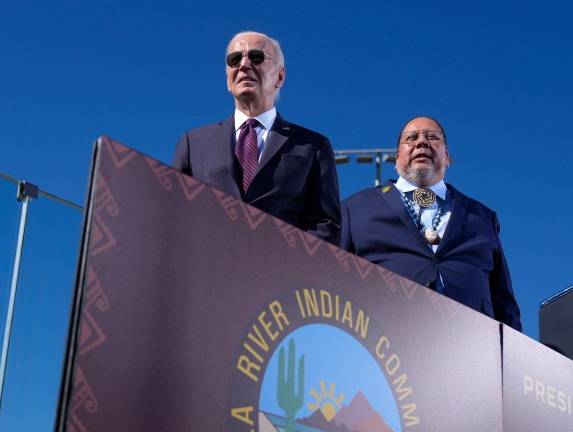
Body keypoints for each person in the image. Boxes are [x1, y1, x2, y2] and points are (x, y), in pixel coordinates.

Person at [340, 116, 522, 331]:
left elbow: (504, 301)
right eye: (412, 138)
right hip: (384, 341)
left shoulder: (482, 216)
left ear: (446, 157)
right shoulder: (355, 208)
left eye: (432, 137)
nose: (422, 142)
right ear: (397, 159)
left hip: (471, 345)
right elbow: (334, 282)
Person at [172, 31, 341, 245]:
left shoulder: (312, 146)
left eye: (256, 57)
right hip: (208, 271)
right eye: (234, 60)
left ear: (280, 76)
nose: (243, 65)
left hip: (280, 272)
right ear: (227, 79)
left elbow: (325, 225)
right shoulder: (193, 144)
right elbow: (174, 215)